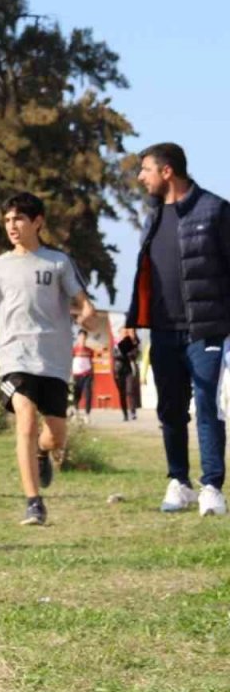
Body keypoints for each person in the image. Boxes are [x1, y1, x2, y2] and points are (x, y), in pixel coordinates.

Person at [0, 192, 96, 526]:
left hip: (54, 359)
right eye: (7, 220)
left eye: (18, 219)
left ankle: (43, 452)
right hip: (14, 356)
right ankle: (34, 502)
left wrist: (87, 311)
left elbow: (81, 299)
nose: (12, 226)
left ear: (37, 222)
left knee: (56, 436)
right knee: (26, 418)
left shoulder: (57, 262)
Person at [120, 143, 230, 516]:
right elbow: (144, 276)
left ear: (167, 171)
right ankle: (179, 482)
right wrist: (132, 322)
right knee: (170, 410)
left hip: (206, 329)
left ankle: (212, 486)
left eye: (145, 170)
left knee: (207, 407)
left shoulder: (215, 210)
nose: (140, 177)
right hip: (163, 332)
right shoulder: (151, 218)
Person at [71, 330, 96, 423]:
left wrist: (93, 374)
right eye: (81, 337)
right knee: (77, 394)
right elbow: (70, 362)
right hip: (77, 375)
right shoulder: (74, 350)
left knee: (88, 394)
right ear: (78, 338)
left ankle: (87, 414)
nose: (82, 339)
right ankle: (76, 412)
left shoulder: (89, 350)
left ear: (86, 339)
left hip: (87, 374)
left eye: (84, 338)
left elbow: (92, 362)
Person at [113, 335, 139, 422]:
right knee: (122, 394)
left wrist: (130, 352)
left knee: (130, 390)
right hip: (119, 371)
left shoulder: (129, 343)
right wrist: (124, 352)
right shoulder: (115, 344)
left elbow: (135, 354)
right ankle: (125, 414)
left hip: (129, 371)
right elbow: (115, 355)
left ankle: (133, 412)